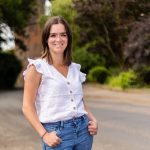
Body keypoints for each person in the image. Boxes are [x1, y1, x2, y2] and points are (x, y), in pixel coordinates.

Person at [22, 16, 98, 150]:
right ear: (46, 39)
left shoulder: (75, 68)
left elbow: (78, 100)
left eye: (63, 35)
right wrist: (44, 134)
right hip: (57, 134)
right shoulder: (37, 68)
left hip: (84, 131)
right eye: (53, 35)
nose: (58, 39)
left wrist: (93, 119)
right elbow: (27, 107)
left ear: (68, 38)